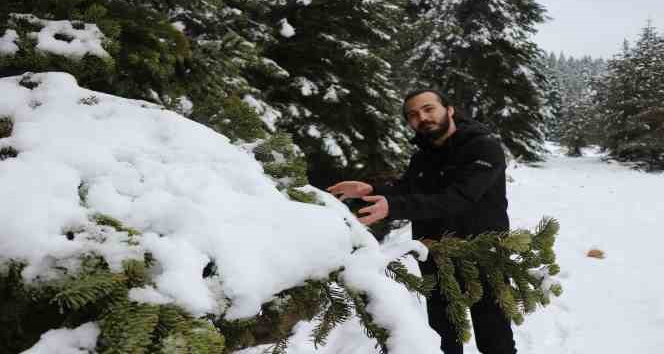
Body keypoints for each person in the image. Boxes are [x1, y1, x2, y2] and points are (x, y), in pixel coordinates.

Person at [327, 89, 517, 354]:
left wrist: (394, 206)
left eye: (429, 109)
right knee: (441, 339)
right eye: (413, 115)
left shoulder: (483, 146)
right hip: (434, 253)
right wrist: (370, 189)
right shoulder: (422, 156)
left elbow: (459, 197)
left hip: (482, 253)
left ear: (449, 110)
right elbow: (409, 188)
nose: (422, 118)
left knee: (494, 339)